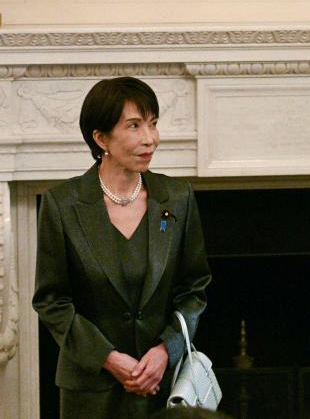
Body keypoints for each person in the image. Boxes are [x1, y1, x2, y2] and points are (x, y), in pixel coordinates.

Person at [32, 76, 212, 419]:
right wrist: (109, 358)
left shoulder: (177, 198)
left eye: (153, 124)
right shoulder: (63, 204)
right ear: (101, 138)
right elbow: (52, 301)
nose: (150, 138)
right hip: (91, 388)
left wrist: (165, 350)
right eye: (134, 125)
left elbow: (194, 290)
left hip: (163, 386)